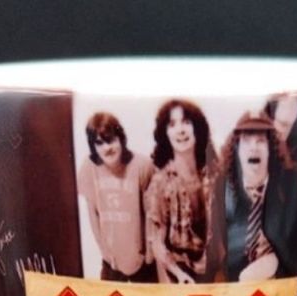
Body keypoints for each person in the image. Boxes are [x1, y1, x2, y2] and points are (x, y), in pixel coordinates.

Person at [211, 113, 297, 281]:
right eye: (246, 141)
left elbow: (296, 243)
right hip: (234, 282)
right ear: (236, 149)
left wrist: (273, 260)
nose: (253, 147)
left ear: (271, 149)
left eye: (260, 141)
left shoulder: (289, 186)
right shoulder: (223, 187)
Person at [77, 112, 155, 282]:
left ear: (121, 138)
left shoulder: (142, 165)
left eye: (110, 140)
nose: (107, 148)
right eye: (99, 143)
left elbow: (151, 214)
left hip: (143, 260)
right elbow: (93, 213)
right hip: (111, 260)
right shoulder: (89, 168)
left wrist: (149, 253)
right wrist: (104, 251)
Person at [145, 99, 216, 283]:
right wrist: (177, 274)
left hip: (213, 270)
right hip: (178, 274)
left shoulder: (214, 175)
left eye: (186, 122)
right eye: (172, 124)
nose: (180, 130)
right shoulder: (160, 183)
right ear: (165, 133)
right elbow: (157, 243)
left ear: (197, 128)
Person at [264, 93, 297, 181]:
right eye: (280, 122)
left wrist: (286, 157)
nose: (279, 130)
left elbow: (294, 186)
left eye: (286, 126)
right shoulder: (257, 140)